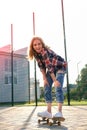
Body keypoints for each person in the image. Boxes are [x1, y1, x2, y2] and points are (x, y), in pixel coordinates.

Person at [28, 36, 67, 118]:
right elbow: (42, 67)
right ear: (32, 47)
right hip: (51, 69)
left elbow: (49, 67)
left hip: (60, 66)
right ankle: (48, 112)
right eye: (35, 45)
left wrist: (55, 80)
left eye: (39, 44)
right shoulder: (36, 54)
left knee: (58, 87)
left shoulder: (44, 52)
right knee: (46, 86)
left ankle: (59, 112)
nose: (37, 46)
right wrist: (44, 79)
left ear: (42, 44)